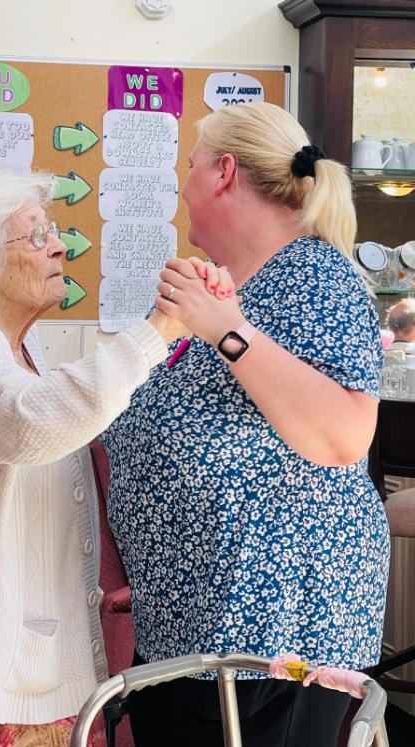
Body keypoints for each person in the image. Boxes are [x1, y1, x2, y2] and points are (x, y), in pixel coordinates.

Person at [100, 102, 389, 747]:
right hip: (196, 622)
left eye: (192, 165)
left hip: (271, 631)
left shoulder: (318, 278)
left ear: (225, 171)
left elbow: (344, 436)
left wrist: (222, 328)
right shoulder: (240, 288)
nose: (184, 182)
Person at [0, 169, 227, 747]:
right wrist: (160, 329)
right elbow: (39, 420)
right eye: (33, 236)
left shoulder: (14, 347)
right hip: (12, 673)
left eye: (50, 230)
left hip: (39, 669)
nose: (57, 244)